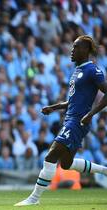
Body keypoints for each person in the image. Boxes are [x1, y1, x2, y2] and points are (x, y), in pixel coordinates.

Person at [15, 35, 107, 206]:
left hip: (78, 121)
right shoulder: (77, 71)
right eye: (72, 47)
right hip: (71, 119)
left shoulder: (93, 70)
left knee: (51, 155)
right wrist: (53, 107)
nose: (72, 51)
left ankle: (33, 199)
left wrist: (91, 114)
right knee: (66, 164)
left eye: (76, 48)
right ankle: (104, 170)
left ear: (86, 50)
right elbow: (72, 101)